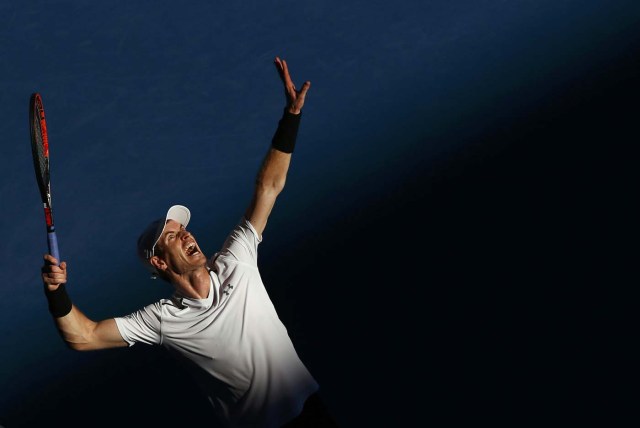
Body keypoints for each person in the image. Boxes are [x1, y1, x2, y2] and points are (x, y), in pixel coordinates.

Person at [41, 57, 338, 428]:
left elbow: (269, 187)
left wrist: (290, 119)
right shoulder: (163, 319)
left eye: (183, 228)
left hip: (313, 415)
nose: (185, 233)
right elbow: (84, 337)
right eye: (171, 235)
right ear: (160, 263)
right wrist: (57, 292)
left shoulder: (237, 258)